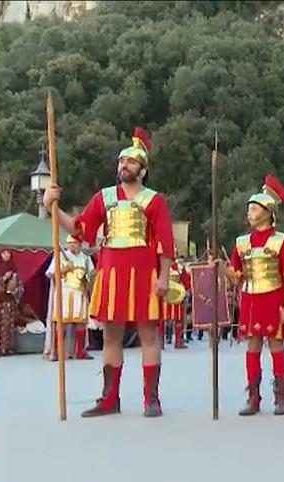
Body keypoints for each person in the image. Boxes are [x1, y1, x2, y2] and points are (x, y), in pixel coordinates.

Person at [43, 127, 176, 418]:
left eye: (129, 162)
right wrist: (53, 207)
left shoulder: (154, 200)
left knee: (148, 335)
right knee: (111, 336)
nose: (123, 166)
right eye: (120, 162)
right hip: (112, 272)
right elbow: (81, 230)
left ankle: (151, 399)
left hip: (144, 273)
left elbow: (166, 242)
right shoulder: (103, 198)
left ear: (142, 169)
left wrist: (164, 276)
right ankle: (109, 399)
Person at [226, 175, 284, 416]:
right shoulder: (241, 243)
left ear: (268, 211)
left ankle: (281, 396)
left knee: (276, 343)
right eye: (248, 208)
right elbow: (236, 276)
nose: (249, 212)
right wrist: (220, 268)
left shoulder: (281, 242)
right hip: (250, 297)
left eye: (254, 208)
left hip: (273, 296)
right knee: (253, 343)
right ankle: (253, 397)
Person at [45, 235, 95, 361]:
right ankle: (56, 351)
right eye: (70, 243)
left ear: (80, 244)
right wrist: (63, 269)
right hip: (64, 292)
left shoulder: (86, 259)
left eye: (75, 243)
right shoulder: (60, 257)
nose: (72, 245)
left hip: (80, 292)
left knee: (81, 323)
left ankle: (80, 351)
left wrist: (89, 282)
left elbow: (92, 275)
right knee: (62, 323)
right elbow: (50, 273)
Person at [0, 249, 20, 356]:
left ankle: (6, 348)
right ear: (0, 254)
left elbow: (19, 286)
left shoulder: (14, 269)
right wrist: (4, 279)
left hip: (8, 301)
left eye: (8, 253)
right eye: (4, 253)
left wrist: (13, 286)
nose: (6, 255)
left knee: (7, 324)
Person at [161, 258, 190, 350]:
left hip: (165, 296)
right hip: (175, 295)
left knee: (162, 320)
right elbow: (186, 282)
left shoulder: (161, 265)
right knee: (177, 319)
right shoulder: (180, 267)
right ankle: (178, 342)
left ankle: (161, 343)